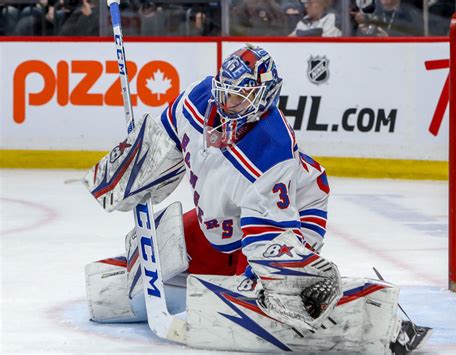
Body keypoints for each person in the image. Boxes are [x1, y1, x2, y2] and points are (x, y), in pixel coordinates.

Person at [83, 45, 430, 353]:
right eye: (225, 93)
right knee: (131, 277)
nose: (226, 104)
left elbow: (266, 235)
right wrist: (127, 172)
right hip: (219, 220)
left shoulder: (272, 151)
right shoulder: (197, 99)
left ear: (264, 97)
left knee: (273, 292)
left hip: (292, 215)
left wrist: (261, 282)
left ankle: (362, 315)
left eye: (239, 97)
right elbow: (159, 139)